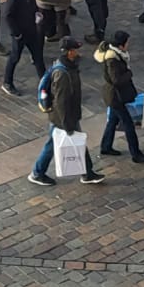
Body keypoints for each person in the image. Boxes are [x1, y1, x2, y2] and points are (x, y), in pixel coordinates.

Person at [27, 37, 105, 187]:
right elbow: (61, 102)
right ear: (70, 52)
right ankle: (39, 173)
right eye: (76, 49)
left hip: (65, 116)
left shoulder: (66, 66)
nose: (78, 52)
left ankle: (86, 173)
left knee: (58, 143)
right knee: (70, 143)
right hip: (64, 117)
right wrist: (67, 124)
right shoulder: (63, 74)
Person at [95, 30, 144, 163]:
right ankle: (135, 154)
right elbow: (116, 80)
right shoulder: (112, 59)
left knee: (113, 120)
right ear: (121, 45)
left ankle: (106, 146)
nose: (128, 44)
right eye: (127, 42)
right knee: (128, 124)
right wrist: (129, 74)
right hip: (115, 97)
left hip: (115, 95)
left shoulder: (117, 55)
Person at [1, 0, 44, 97]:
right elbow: (7, 14)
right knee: (14, 57)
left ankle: (45, 82)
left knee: (38, 57)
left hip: (31, 29)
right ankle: (7, 82)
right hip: (20, 32)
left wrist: (36, 13)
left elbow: (32, 4)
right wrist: (16, 33)